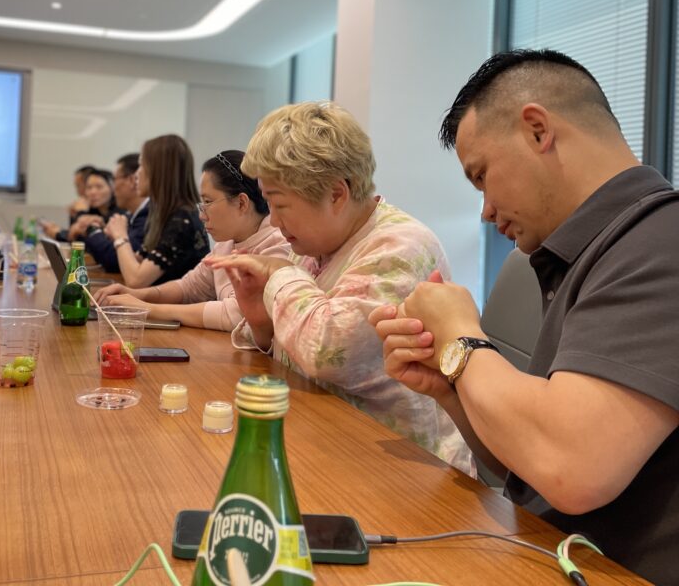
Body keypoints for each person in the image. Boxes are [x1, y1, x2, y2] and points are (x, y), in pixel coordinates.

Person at [372, 49, 679, 586]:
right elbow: (531, 466)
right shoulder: (593, 255)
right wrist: (449, 386)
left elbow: (572, 467)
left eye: (482, 176)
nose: (485, 210)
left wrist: (463, 340)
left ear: (538, 130)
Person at [208, 102, 474, 475]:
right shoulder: (316, 244)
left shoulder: (402, 246)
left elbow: (327, 352)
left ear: (336, 194)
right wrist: (262, 323)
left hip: (407, 472)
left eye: (280, 205)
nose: (274, 221)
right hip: (331, 445)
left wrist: (280, 274)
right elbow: (296, 351)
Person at [93, 150, 290, 329]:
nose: (202, 215)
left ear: (241, 203)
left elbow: (237, 315)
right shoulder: (226, 243)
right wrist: (137, 295)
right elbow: (190, 287)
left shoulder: (278, 245)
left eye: (207, 202)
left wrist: (147, 308)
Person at [104, 134, 209, 287]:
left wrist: (120, 237)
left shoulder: (182, 220)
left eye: (141, 165)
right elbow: (137, 262)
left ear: (159, 171)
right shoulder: (164, 213)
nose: (136, 174)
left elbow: (136, 280)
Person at [84, 153, 148, 273]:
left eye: (114, 179)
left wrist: (94, 231)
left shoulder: (147, 215)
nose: (113, 188)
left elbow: (114, 260)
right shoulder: (131, 214)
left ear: (132, 180)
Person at [42, 167, 119, 242]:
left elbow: (94, 242)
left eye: (99, 187)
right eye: (89, 187)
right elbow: (75, 237)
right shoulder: (93, 210)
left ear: (113, 188)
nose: (93, 192)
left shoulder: (119, 213)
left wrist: (81, 213)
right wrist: (74, 216)